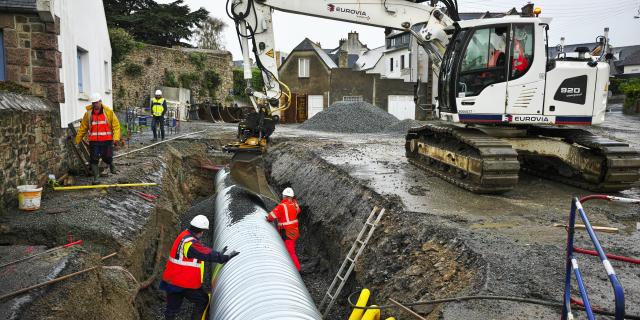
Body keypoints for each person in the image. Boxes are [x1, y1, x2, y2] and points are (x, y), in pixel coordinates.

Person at [160, 215, 239, 320]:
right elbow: (203, 253)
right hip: (184, 282)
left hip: (171, 280)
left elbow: (201, 249)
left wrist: (217, 253)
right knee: (203, 300)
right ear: (202, 231)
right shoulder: (190, 244)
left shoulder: (184, 235)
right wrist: (224, 257)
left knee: (171, 309)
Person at [74, 92, 121, 184]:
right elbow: (83, 128)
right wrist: (77, 139)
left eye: (96, 102)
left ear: (100, 101)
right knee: (94, 159)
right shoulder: (88, 114)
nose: (95, 104)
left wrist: (116, 138)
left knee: (107, 157)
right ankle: (96, 178)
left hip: (107, 140)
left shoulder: (108, 112)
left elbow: (116, 126)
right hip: (94, 141)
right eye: (93, 103)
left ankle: (111, 164)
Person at [266, 187, 301, 271]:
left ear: (285, 196)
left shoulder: (282, 206)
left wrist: (268, 218)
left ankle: (297, 270)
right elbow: (297, 211)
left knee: (290, 252)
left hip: (287, 233)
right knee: (291, 249)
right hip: (294, 231)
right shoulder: (295, 204)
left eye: (283, 196)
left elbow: (271, 216)